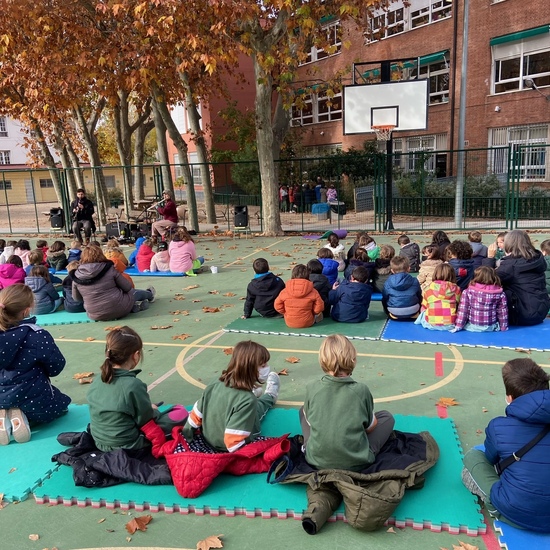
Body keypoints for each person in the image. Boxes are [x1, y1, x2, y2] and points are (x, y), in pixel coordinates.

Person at [462, 358, 550, 532]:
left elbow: (490, 459)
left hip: (517, 513)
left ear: (510, 398)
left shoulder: (499, 427)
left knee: (473, 457)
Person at [300, 334, 395, 471]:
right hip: (357, 462)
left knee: (302, 410)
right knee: (387, 417)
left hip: (315, 459)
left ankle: (308, 446)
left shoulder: (312, 387)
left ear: (322, 359)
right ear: (353, 360)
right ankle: (356, 450)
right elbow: (370, 427)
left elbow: (310, 421)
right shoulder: (361, 390)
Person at [87, 326, 187, 452]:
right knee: (180, 412)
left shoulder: (98, 379)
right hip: (128, 445)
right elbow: (146, 420)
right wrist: (153, 410)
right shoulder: (133, 385)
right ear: (136, 355)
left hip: (100, 442)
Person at [0, 284, 71, 445]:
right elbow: (56, 366)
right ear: (27, 310)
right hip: (32, 398)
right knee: (61, 404)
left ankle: (6, 411)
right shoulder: (36, 334)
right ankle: (23, 414)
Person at [184, 340, 280, 452]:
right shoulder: (248, 400)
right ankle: (270, 395)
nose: (267, 368)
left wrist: (186, 439)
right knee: (258, 408)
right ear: (249, 368)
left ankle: (254, 390)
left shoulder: (215, 382)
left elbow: (195, 416)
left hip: (207, 439)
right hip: (227, 446)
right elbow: (233, 444)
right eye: (263, 365)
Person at [72, 245, 155, 321]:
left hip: (95, 314)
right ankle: (149, 294)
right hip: (119, 307)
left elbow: (77, 298)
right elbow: (127, 287)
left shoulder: (76, 275)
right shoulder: (109, 269)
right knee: (133, 293)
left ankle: (132, 307)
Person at [486, 230, 550, 326]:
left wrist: (490, 258)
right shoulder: (538, 259)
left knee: (493, 289)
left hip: (522, 315)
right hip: (541, 311)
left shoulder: (511, 266)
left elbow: (486, 279)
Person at [455, 266, 508, 332]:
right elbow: (502, 312)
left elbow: (463, 311)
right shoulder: (500, 293)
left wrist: (458, 326)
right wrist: (503, 327)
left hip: (473, 326)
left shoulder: (468, 292)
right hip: (491, 327)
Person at [274, 264, 324, 328]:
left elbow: (277, 305)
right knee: (320, 314)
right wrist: (313, 313)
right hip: (308, 322)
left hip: (290, 322)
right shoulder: (313, 291)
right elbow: (319, 307)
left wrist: (285, 312)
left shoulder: (285, 291)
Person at [415, 263, 461, 331]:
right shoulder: (456, 289)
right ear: (452, 275)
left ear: (435, 274)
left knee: (423, 312)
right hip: (450, 324)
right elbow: (459, 303)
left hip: (431, 324)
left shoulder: (428, 289)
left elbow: (424, 306)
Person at [382, 256, 422, 321]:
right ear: (409, 268)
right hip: (413, 310)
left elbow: (385, 298)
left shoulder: (388, 282)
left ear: (392, 270)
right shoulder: (414, 281)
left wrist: (387, 311)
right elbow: (419, 296)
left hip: (394, 311)